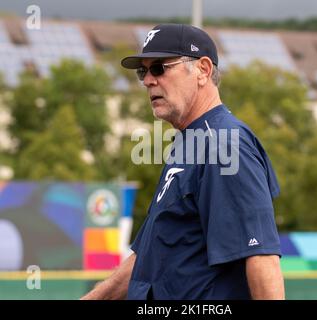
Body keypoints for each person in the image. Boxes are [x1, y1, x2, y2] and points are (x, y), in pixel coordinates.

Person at [81, 23, 285, 300]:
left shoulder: (223, 143)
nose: (147, 80)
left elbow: (261, 256)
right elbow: (148, 259)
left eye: (159, 67)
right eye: (143, 71)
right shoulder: (190, 143)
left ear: (203, 69)